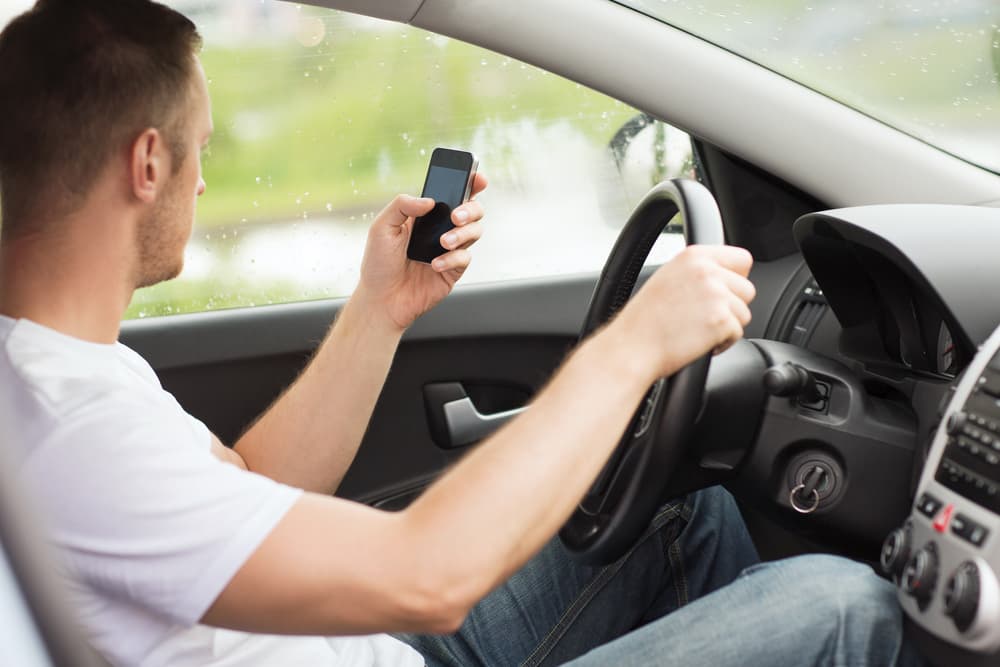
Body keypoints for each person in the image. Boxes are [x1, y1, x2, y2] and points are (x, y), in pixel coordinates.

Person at [0, 1, 922, 666]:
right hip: (397, 616)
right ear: (148, 162)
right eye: (198, 150)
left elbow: (249, 481)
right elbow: (426, 576)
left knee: (682, 510)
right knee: (847, 609)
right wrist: (633, 344)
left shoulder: (62, 372)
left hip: (368, 643)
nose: (201, 182)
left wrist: (379, 308)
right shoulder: (74, 433)